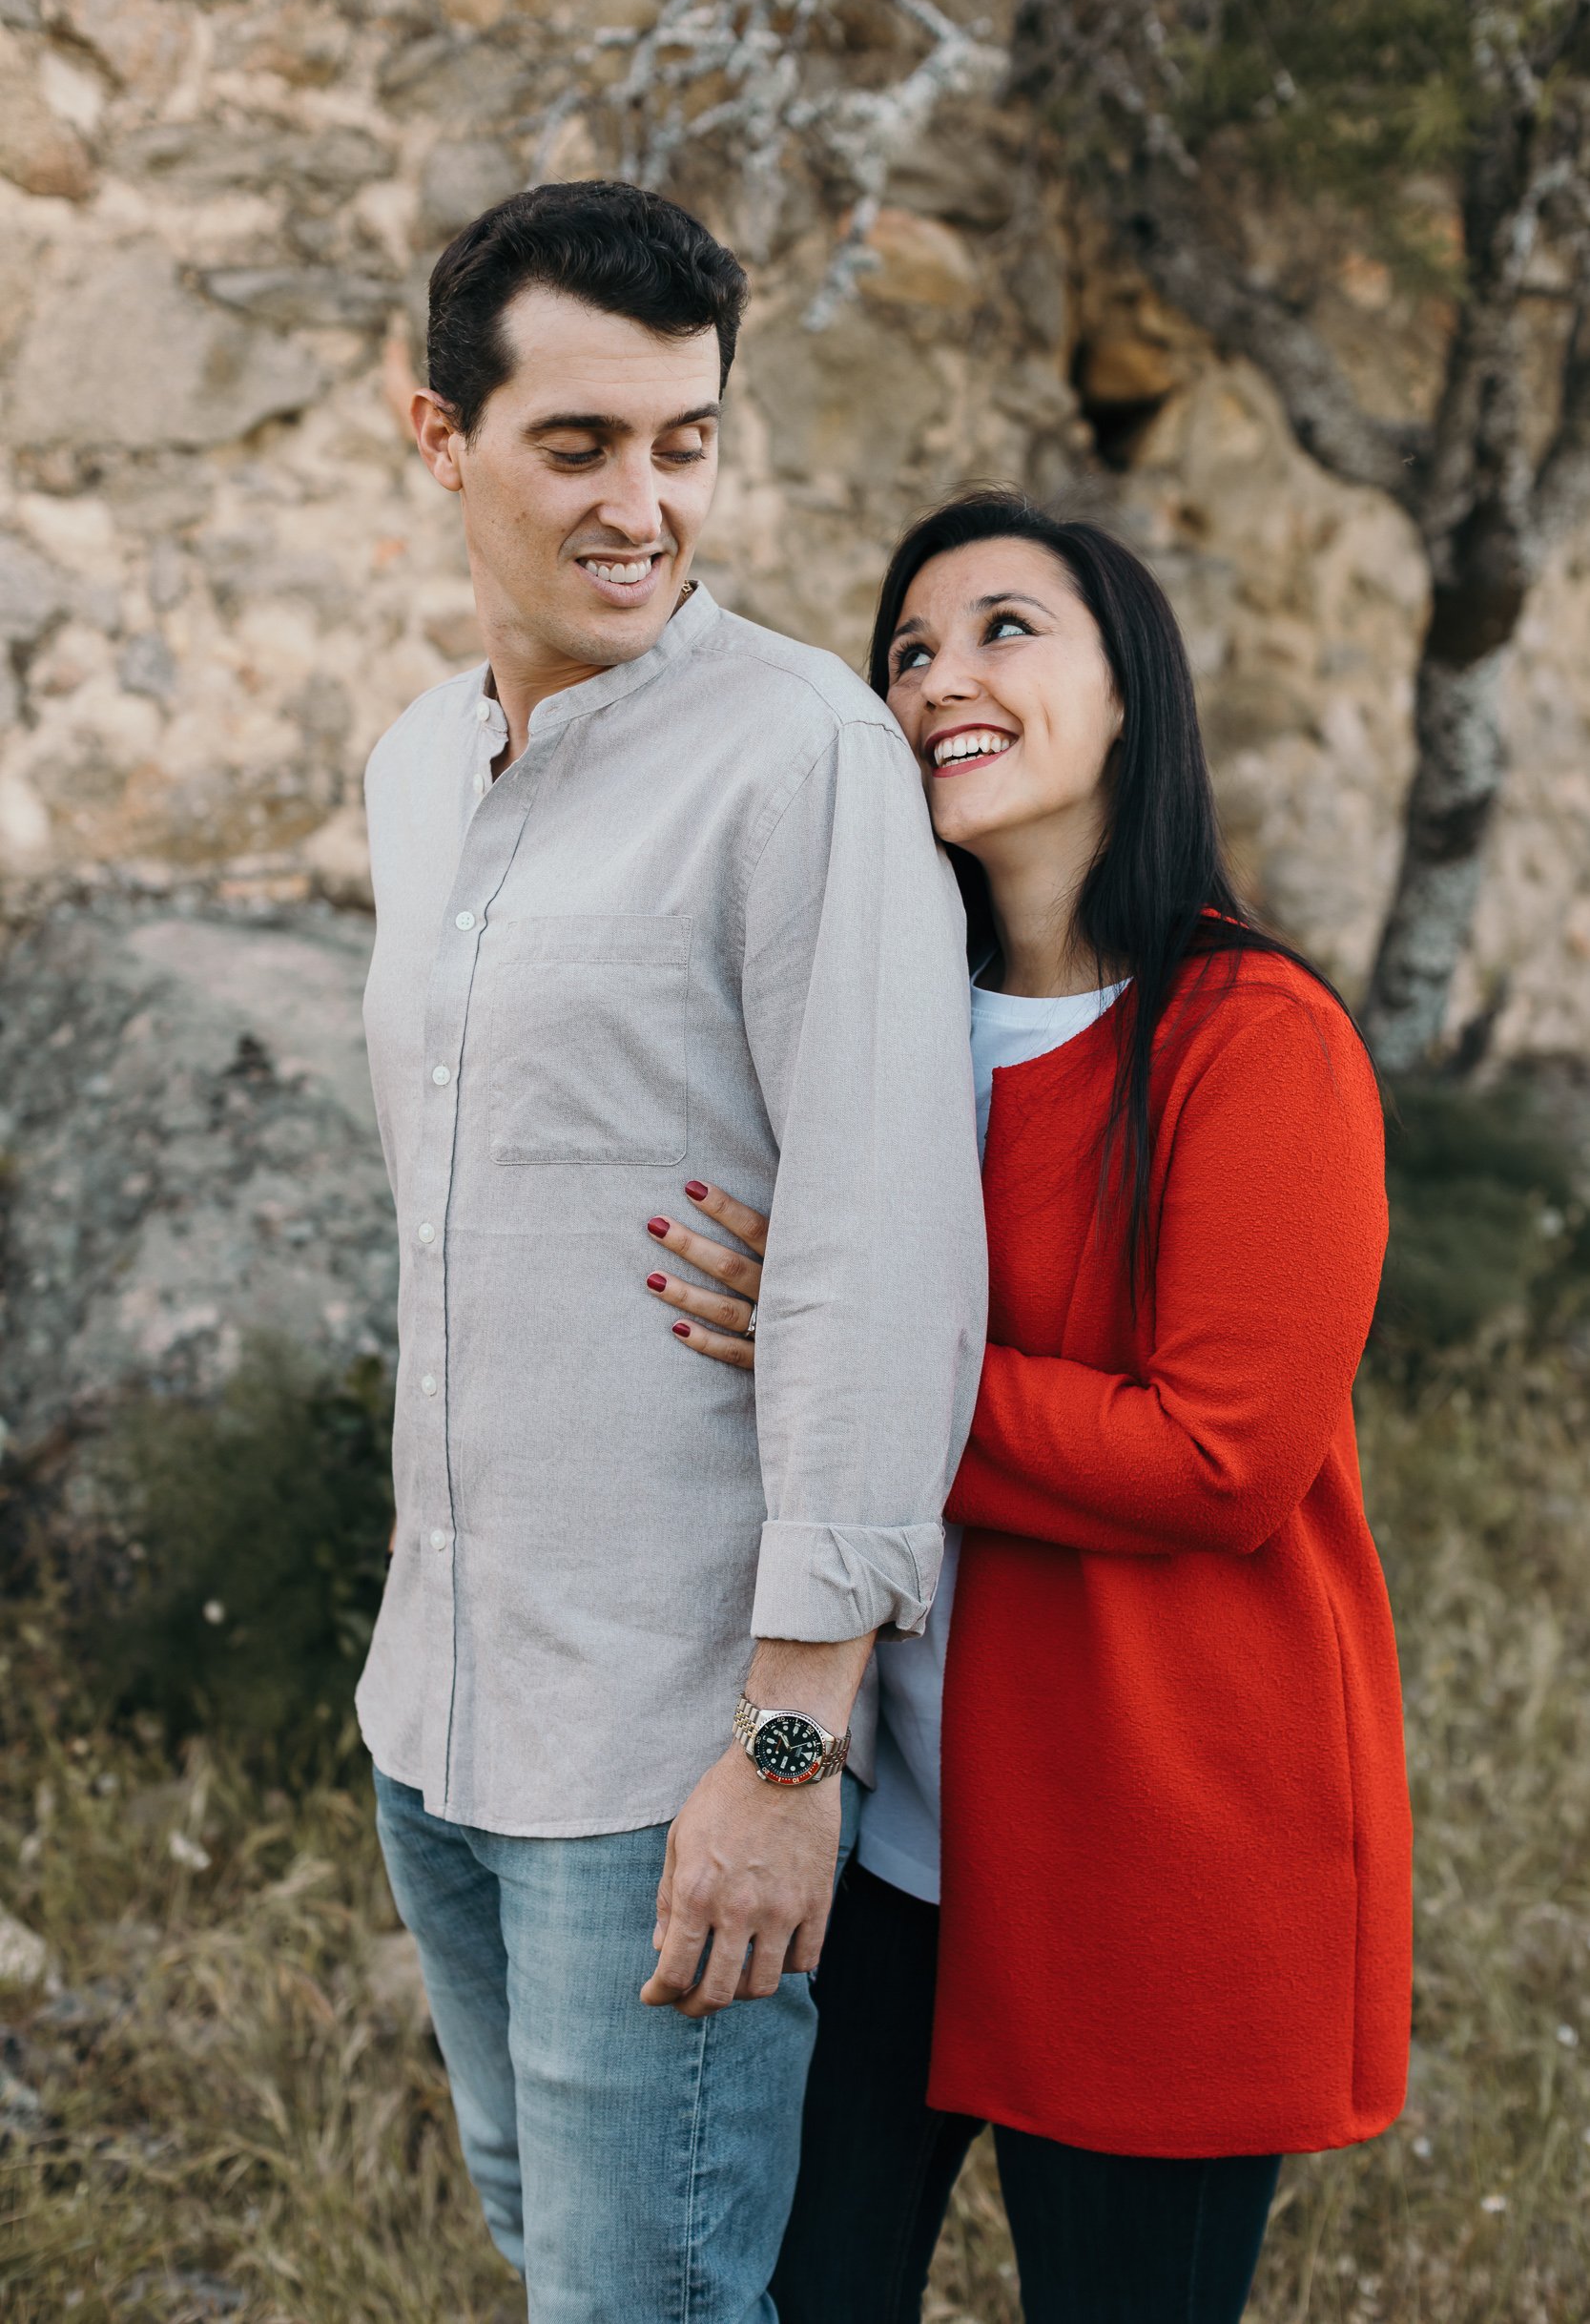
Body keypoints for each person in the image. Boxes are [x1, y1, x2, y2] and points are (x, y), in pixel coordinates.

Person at [647, 491, 1414, 2323]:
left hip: (1158, 1870)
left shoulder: (1255, 1041)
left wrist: (852, 1356)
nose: (939, 680)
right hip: (884, 1852)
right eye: (907, 652)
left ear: (1129, 694)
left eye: (1005, 629)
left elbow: (1222, 1461)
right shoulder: (883, 1032)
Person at [355, 181, 987, 2324]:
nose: (646, 505)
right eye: (581, 444)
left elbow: (883, 1258)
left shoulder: (803, 755)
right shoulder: (415, 771)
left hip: (673, 1750)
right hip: (436, 1713)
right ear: (439, 435)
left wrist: (791, 1749)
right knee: (576, 2272)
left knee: (654, 2301)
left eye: (686, 442)